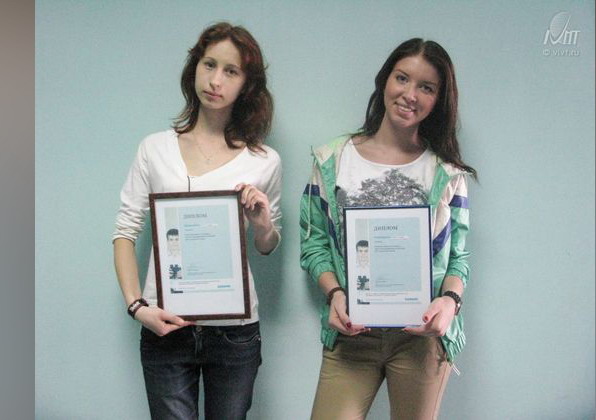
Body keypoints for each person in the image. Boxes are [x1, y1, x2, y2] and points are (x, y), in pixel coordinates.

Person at [113, 22, 281, 420]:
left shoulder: (264, 160)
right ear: (195, 68)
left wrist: (261, 222)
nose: (216, 80)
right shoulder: (155, 148)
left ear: (247, 84)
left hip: (235, 330)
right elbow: (124, 231)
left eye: (231, 71)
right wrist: (137, 306)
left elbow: (267, 245)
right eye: (209, 65)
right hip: (165, 325)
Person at [300, 38, 475, 419]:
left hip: (421, 340)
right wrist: (334, 293)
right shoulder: (332, 160)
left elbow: (459, 258)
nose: (410, 94)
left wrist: (449, 302)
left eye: (426, 87)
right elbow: (313, 245)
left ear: (438, 100)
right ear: (384, 80)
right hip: (351, 335)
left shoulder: (446, 172)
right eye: (402, 78)